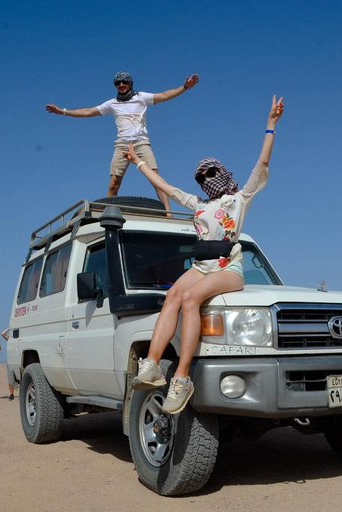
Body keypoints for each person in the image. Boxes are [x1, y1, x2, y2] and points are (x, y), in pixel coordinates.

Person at [123, 95, 285, 414]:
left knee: (190, 299)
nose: (206, 178)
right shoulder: (199, 205)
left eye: (211, 172)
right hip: (201, 265)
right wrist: (139, 163)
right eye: (200, 176)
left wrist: (270, 126)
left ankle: (182, 378)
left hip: (228, 267)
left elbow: (262, 164)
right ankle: (152, 365)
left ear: (222, 171)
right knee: (171, 297)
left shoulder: (239, 199)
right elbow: (166, 187)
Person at [45, 71, 200, 211]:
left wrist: (185, 87)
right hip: (122, 145)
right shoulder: (112, 104)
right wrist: (62, 111)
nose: (121, 85)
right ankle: (108, 212)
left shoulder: (141, 98)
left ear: (130, 84)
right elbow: (88, 111)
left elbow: (165, 95)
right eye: (118, 83)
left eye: (124, 82)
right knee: (113, 183)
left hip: (141, 143)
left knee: (155, 179)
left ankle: (168, 213)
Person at [0, 328, 16, 401]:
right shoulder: (10, 339)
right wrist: (10, 328)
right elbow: (3, 333)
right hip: (10, 359)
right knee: (10, 377)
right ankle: (11, 394)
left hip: (17, 360)